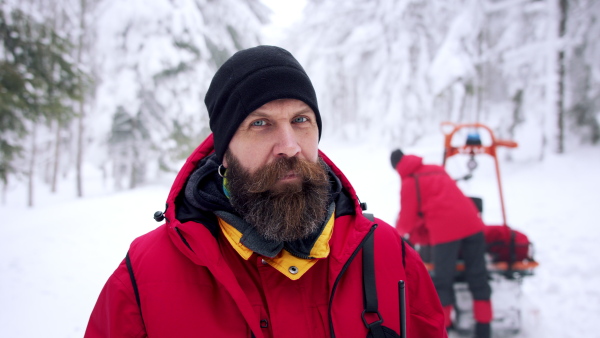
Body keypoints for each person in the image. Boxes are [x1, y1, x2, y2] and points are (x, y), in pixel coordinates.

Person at [85, 46, 447, 338]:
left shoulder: (388, 254)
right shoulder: (147, 275)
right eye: (260, 124)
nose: (289, 146)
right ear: (224, 150)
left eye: (301, 120)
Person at [390, 149, 493, 338]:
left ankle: (445, 328)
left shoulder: (410, 181)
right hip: (473, 223)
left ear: (397, 167)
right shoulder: (436, 168)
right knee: (478, 276)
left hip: (446, 232)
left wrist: (397, 237)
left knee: (442, 281)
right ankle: (484, 328)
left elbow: (407, 219)